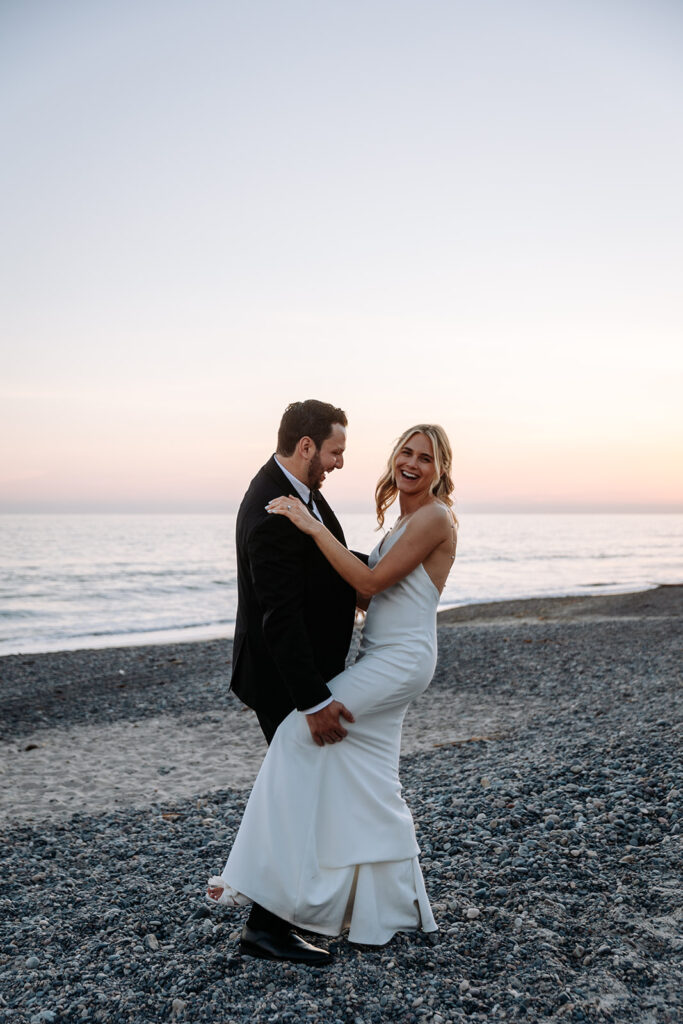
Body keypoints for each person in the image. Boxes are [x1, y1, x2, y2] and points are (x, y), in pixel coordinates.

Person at [208, 424, 457, 962]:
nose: (412, 463)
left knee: (298, 738)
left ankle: (252, 892)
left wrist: (312, 527)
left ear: (441, 470)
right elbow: (370, 591)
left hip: (401, 658)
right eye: (406, 452)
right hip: (383, 654)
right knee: (371, 777)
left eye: (426, 458)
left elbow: (366, 586)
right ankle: (387, 909)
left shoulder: (435, 517)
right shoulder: (404, 520)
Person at [216, 399, 362, 965]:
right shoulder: (271, 508)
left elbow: (323, 565)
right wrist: (314, 701)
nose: (339, 464)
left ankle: (281, 917)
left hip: (297, 675)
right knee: (294, 797)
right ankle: (265, 929)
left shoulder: (298, 490)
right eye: (335, 452)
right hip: (283, 682)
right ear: (307, 446)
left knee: (301, 794)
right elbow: (279, 618)